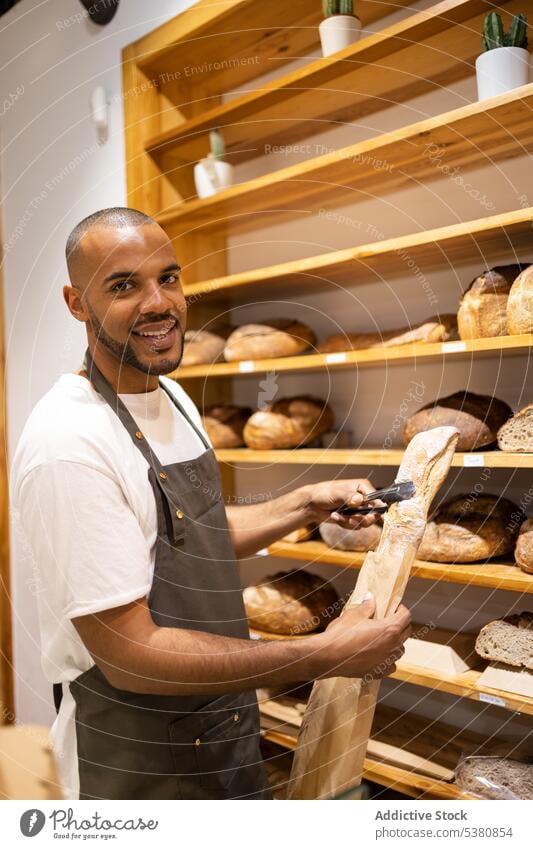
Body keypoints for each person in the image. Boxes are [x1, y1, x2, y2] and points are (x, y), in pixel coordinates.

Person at [11, 207, 412, 800]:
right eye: (123, 285)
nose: (158, 303)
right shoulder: (67, 443)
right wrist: (320, 654)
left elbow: (187, 533)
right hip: (135, 762)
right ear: (76, 303)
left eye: (167, 278)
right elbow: (129, 655)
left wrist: (303, 503)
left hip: (220, 727)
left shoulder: (170, 395)